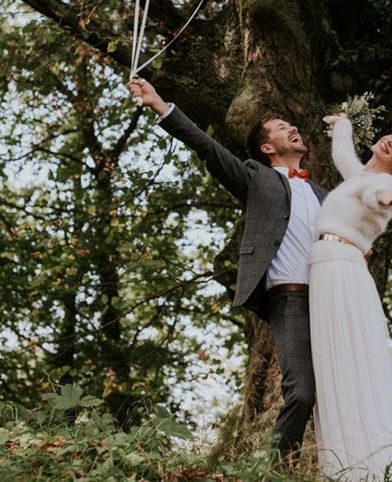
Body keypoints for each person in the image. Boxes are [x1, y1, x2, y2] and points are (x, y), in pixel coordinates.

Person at [127, 78, 326, 465]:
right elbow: (208, 148)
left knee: (339, 389)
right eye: (283, 126)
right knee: (301, 391)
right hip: (291, 300)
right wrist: (159, 105)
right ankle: (277, 471)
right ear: (267, 147)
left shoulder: (323, 194)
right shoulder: (256, 178)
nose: (294, 127)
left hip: (332, 300)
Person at [311, 113, 392, 480]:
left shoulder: (380, 181)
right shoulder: (361, 173)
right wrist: (343, 123)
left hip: (339, 266)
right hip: (327, 264)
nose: (390, 142)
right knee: (331, 355)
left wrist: (389, 197)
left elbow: (376, 195)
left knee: (343, 356)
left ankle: (363, 468)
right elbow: (344, 156)